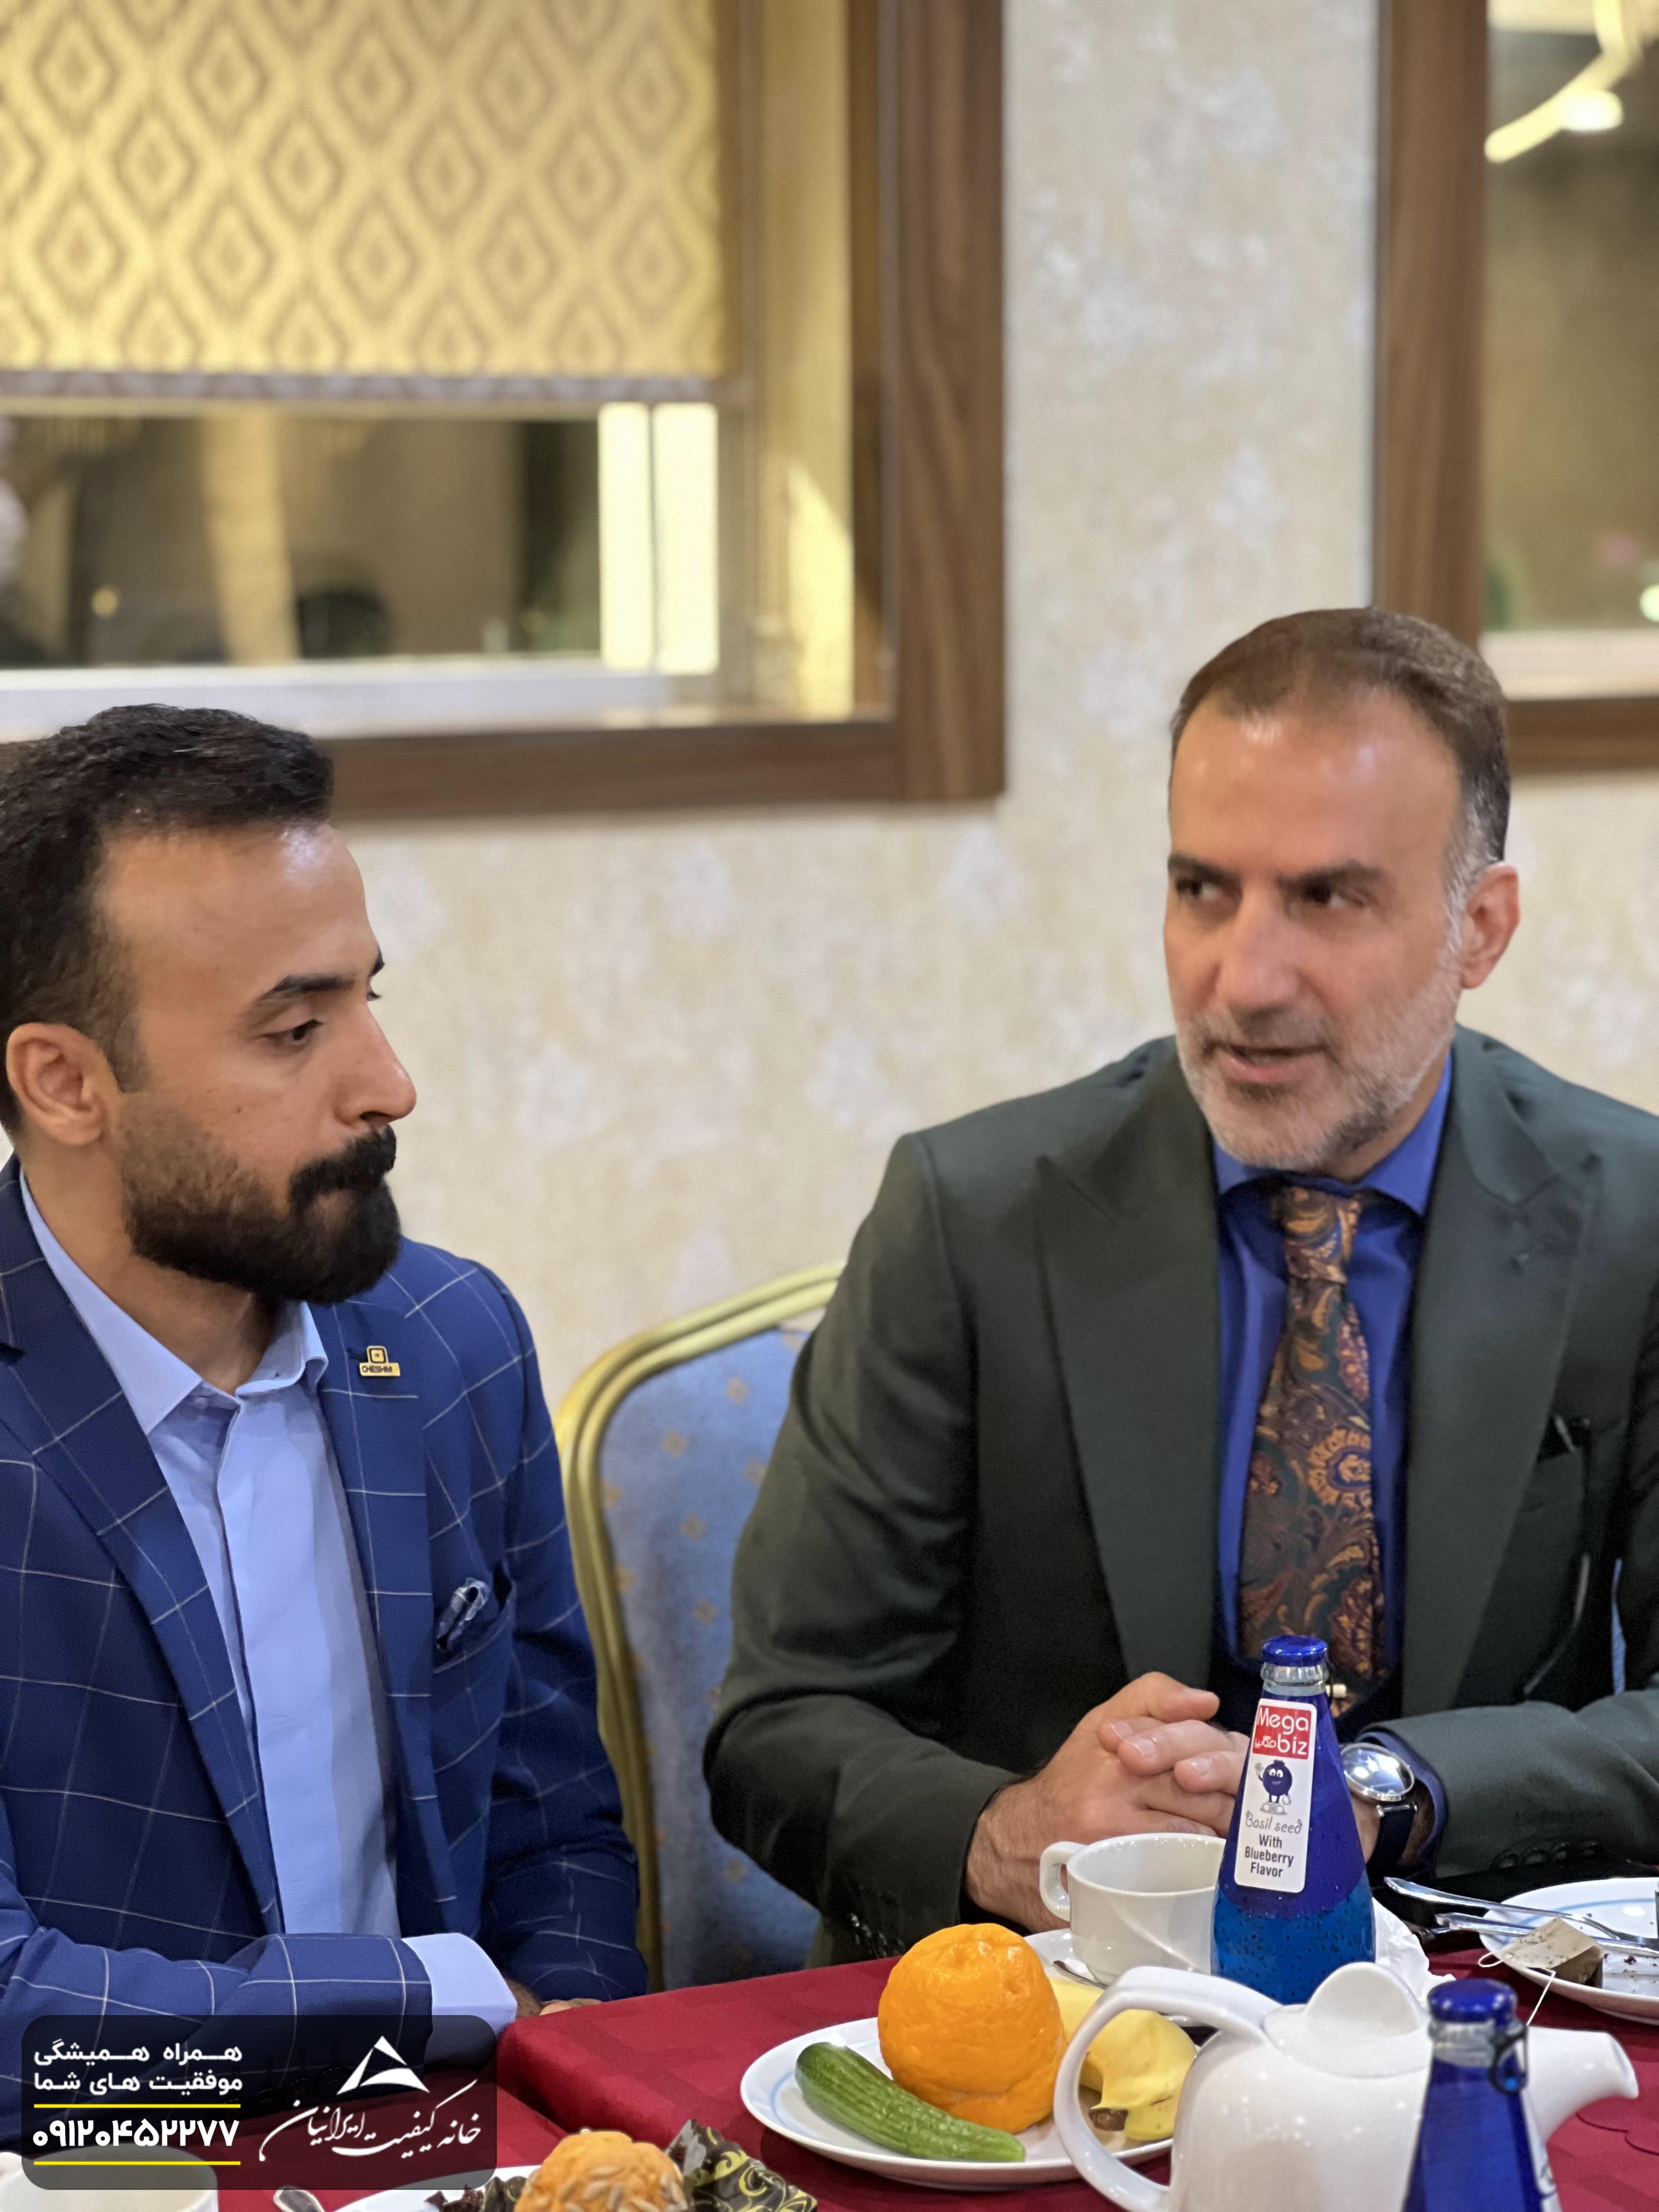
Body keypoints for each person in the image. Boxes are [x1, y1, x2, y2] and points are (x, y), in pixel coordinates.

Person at [708, 606, 1659, 1959]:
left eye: (1328, 898)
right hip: (1057, 2008)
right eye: (1204, 890)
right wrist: (1011, 1833)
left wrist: (1388, 1790)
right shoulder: (973, 1217)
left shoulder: (1630, 1219)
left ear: (1481, 928)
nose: (1243, 978)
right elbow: (777, 1726)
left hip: (1470, 1998)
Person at [0, 705, 644, 2135]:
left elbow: (556, 1836)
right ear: (65, 1082)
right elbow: (12, 2034)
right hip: (104, 2173)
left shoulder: (455, 1342)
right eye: (295, 1030)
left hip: (461, 2147)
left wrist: (571, 2105)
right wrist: (429, 2002)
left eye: (367, 998)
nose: (388, 1086)